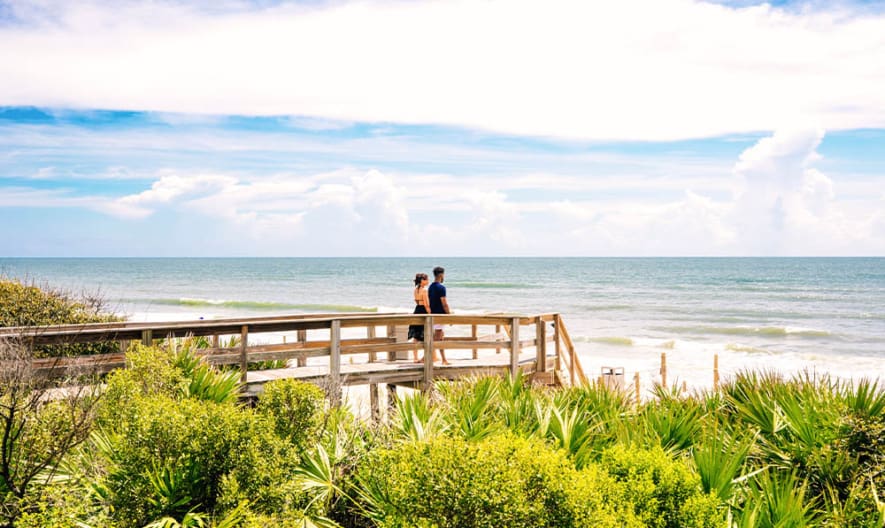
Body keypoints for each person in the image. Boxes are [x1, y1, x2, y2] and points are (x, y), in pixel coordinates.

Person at [427, 266, 450, 365]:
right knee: (437, 339)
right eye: (443, 274)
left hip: (433, 315)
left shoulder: (430, 287)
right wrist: (449, 316)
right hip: (440, 316)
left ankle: (444, 360)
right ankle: (426, 358)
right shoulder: (441, 288)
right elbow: (444, 303)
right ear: (441, 275)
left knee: (440, 338)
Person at [407, 273, 430, 362]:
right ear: (422, 281)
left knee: (416, 336)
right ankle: (425, 357)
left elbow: (416, 301)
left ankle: (415, 358)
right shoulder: (424, 290)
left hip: (417, 310)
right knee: (425, 334)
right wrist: (430, 313)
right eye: (426, 279)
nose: (428, 281)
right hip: (423, 310)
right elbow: (427, 304)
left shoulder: (415, 290)